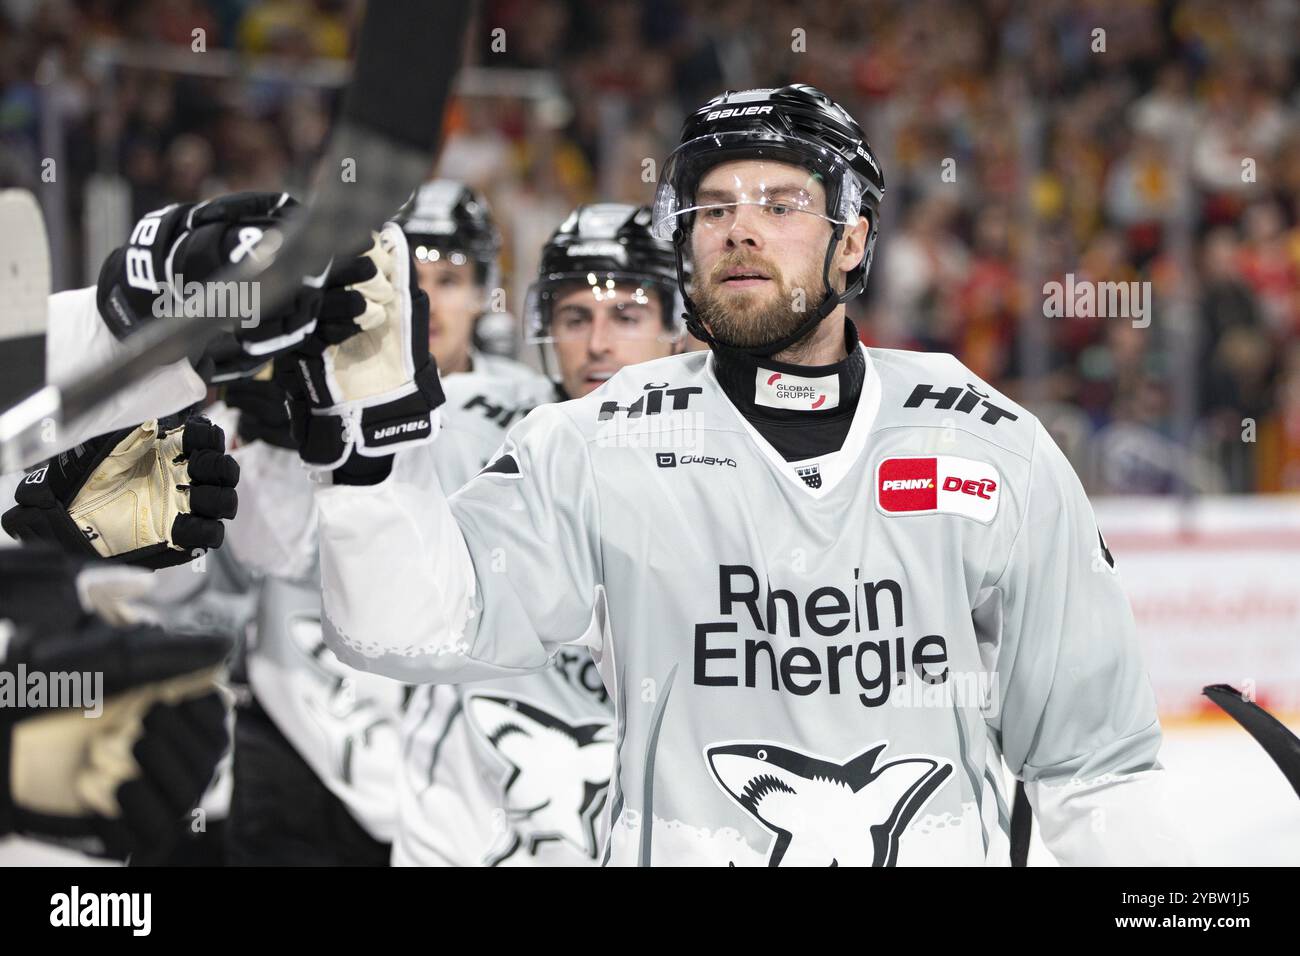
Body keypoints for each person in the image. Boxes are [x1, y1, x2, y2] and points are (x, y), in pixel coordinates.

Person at [395, 202, 685, 866]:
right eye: (575, 318)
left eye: (627, 316)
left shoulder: (736, 465)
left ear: (677, 329)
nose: (599, 343)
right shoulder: (480, 430)